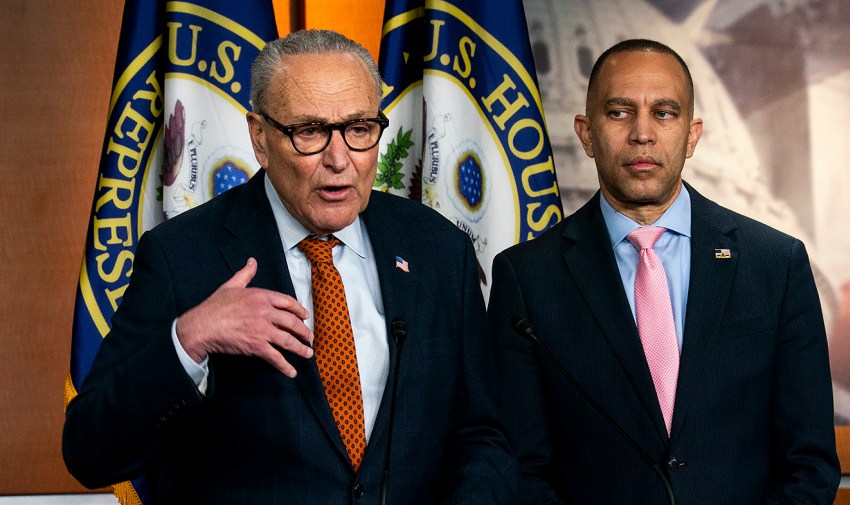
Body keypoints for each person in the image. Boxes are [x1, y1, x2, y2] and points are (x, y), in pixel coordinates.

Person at [64, 29, 517, 504]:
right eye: (310, 132)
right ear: (260, 138)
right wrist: (190, 338)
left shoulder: (437, 249)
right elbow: (89, 451)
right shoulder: (182, 255)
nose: (339, 159)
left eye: (359, 129)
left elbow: (482, 434)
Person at [488, 39, 840, 504]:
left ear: (692, 135)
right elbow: (521, 469)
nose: (642, 134)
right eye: (619, 112)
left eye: (664, 113)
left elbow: (809, 465)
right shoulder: (527, 277)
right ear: (586, 133)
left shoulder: (776, 266)